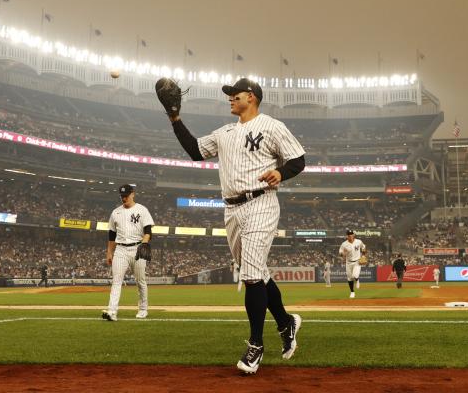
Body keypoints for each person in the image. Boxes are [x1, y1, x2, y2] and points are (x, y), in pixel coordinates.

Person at [164, 77, 306, 374]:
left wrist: (281, 173)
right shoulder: (225, 132)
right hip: (231, 210)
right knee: (259, 274)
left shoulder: (271, 126)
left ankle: (255, 346)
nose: (229, 98)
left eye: (234, 94)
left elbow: (298, 160)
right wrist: (175, 118)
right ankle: (286, 322)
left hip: (261, 204)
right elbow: (195, 150)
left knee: (251, 277)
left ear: (251, 97)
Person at [102, 184, 153, 322]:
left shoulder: (142, 210)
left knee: (140, 281)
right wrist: (109, 253)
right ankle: (112, 311)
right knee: (116, 281)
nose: (124, 198)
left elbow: (148, 231)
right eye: (122, 196)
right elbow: (112, 236)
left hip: (138, 248)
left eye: (126, 195)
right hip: (121, 250)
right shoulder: (115, 213)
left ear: (133, 194)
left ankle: (143, 309)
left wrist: (144, 243)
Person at [339, 230, 366, 298]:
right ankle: (352, 292)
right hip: (348, 263)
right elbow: (340, 253)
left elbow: (364, 247)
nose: (350, 236)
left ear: (353, 235)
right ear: (347, 236)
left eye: (351, 234)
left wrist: (363, 255)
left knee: (355, 275)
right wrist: (343, 254)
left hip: (357, 261)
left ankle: (357, 279)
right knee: (350, 278)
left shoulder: (358, 241)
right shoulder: (344, 244)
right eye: (348, 235)